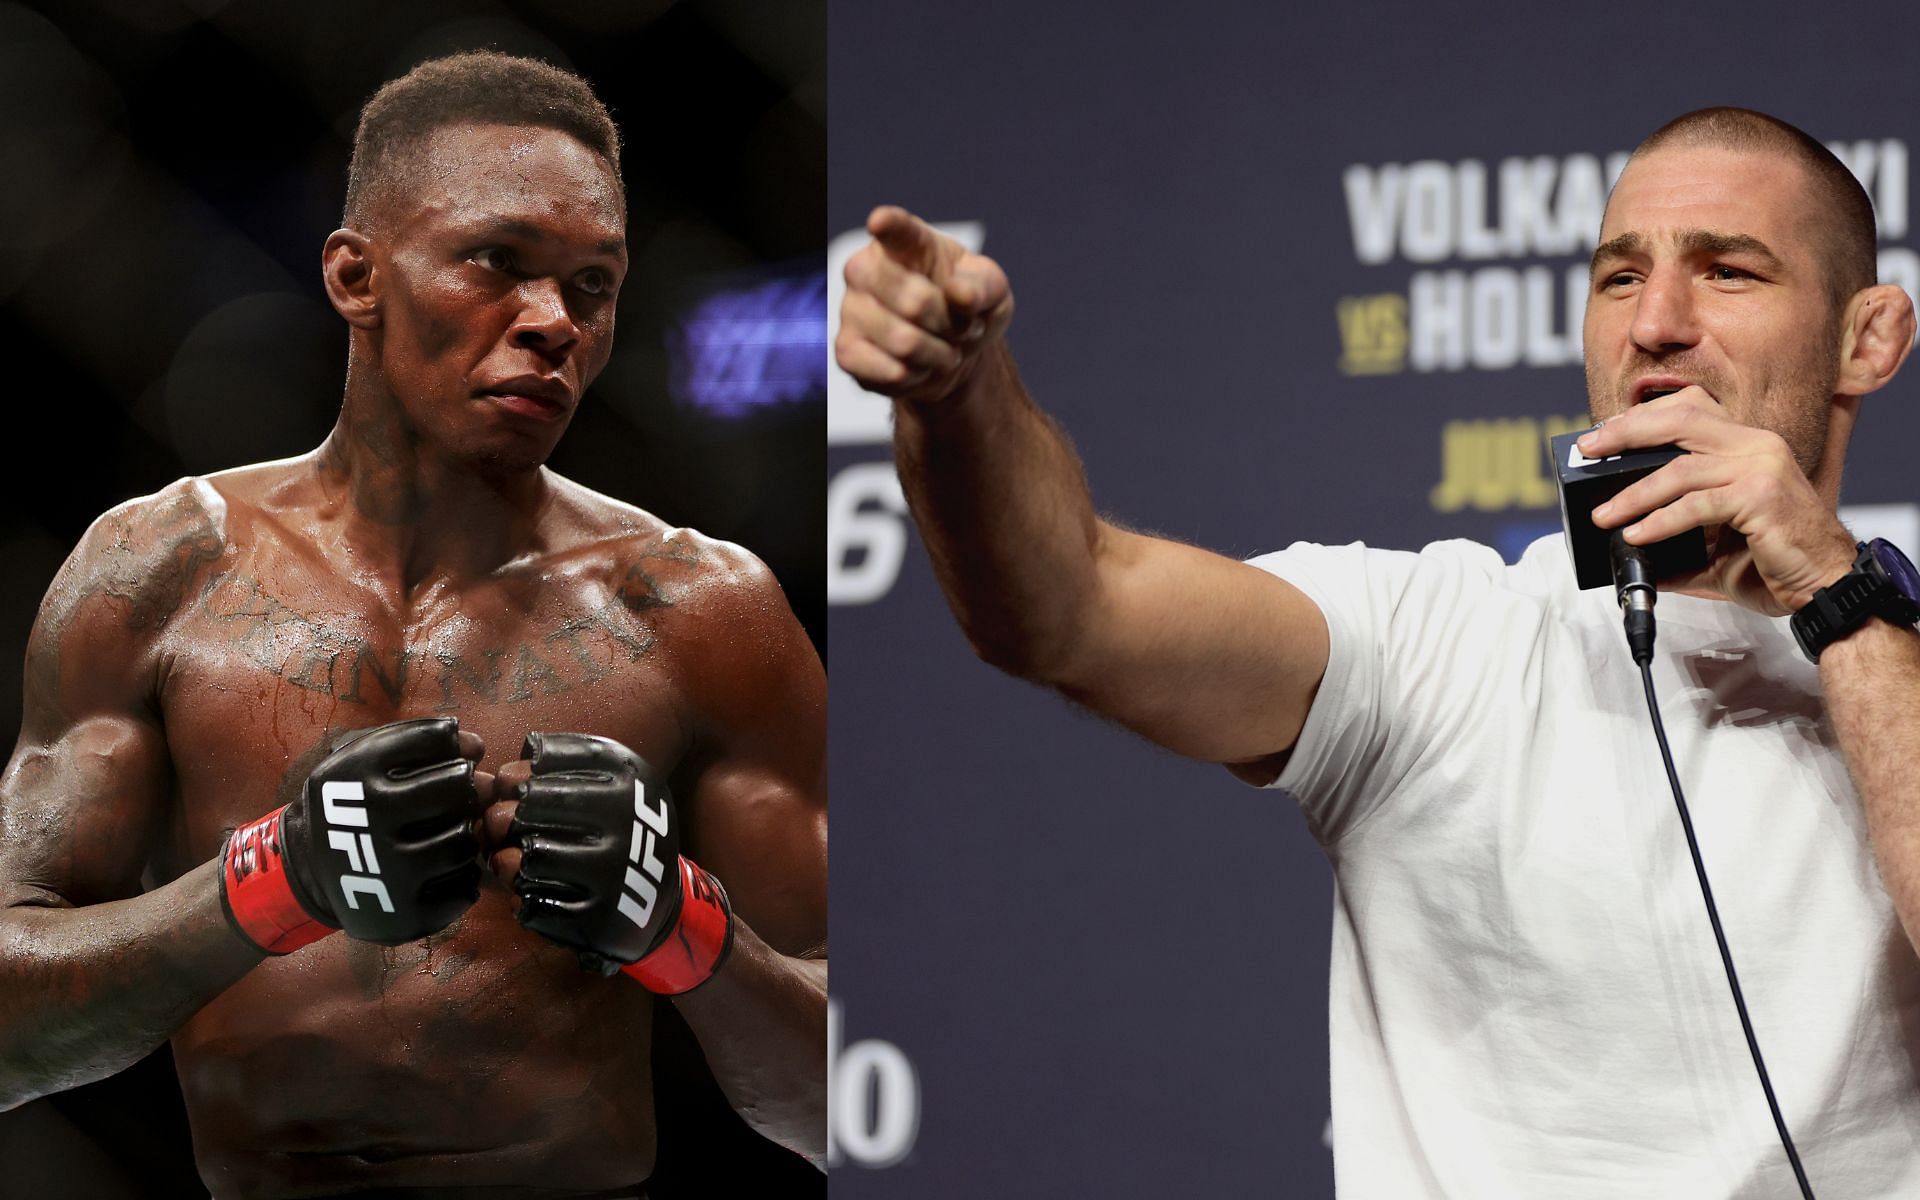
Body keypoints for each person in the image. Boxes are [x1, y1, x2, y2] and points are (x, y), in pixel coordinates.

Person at [837, 106, 1920, 1196]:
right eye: (1619, 278)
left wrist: (1837, 594)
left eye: (1729, 272)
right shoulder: (1438, 636)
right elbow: (1071, 605)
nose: (1657, 324)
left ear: (1865, 338)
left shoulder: (1901, 669)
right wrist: (958, 398)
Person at [0, 51, 826, 1198]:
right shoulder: (159, 570)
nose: (553, 323)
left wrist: (682, 926)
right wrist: (274, 881)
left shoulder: (699, 610)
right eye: (500, 261)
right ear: (356, 275)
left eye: (594, 284)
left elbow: (859, 1102)